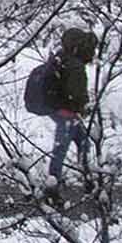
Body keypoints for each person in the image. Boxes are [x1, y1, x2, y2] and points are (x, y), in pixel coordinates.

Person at [43, 28, 99, 198]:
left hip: (60, 110)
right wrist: (84, 105)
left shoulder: (62, 57)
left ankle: (89, 181)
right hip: (67, 113)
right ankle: (52, 189)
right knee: (61, 150)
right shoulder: (75, 66)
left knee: (83, 144)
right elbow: (75, 93)